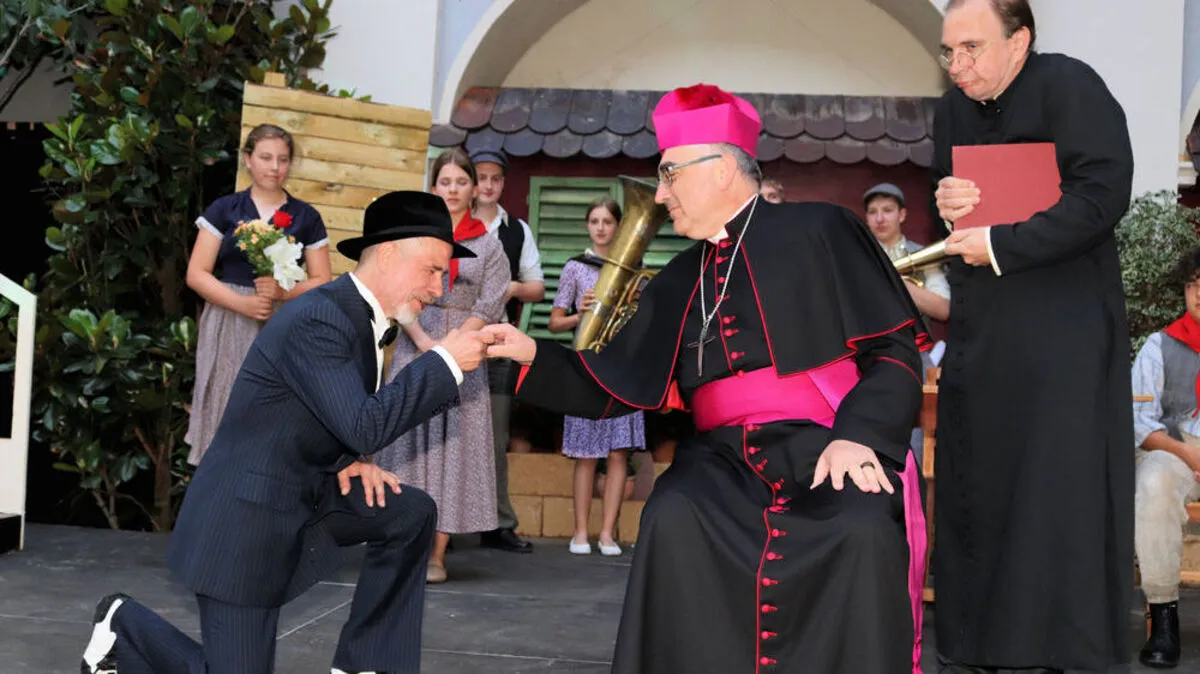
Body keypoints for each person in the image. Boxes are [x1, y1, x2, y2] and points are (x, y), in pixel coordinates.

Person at [485, 82, 930, 674]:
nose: (661, 192)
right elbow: (610, 384)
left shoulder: (824, 229)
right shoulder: (678, 276)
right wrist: (526, 352)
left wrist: (859, 434)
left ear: (721, 168)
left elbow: (893, 351)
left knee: (861, 527)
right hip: (718, 459)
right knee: (672, 512)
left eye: (670, 174)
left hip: (827, 442)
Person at [80, 191, 492, 674]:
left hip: (302, 495)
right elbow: (364, 422)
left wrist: (350, 459)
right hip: (243, 523)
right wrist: (444, 362)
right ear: (387, 254)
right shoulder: (321, 318)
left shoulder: (359, 317)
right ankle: (124, 625)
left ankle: (366, 664)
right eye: (431, 270)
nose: (438, 287)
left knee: (409, 512)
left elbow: (329, 411)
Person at [931, 0, 1135, 671]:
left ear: (1019, 42)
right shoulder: (951, 110)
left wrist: (999, 241)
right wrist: (949, 203)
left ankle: (1056, 651)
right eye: (948, 52)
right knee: (982, 485)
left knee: (1053, 491)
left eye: (972, 48)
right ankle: (983, 645)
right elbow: (954, 197)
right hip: (983, 333)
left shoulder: (1068, 85)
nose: (957, 66)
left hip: (1062, 333)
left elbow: (1102, 195)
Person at [376, 148, 510, 584]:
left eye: (461, 182)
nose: (452, 189)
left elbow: (492, 301)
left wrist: (456, 346)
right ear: (433, 187)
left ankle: (437, 554)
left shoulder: (489, 244)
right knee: (408, 448)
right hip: (419, 346)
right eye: (445, 182)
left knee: (455, 453)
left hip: (466, 354)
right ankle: (403, 546)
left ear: (474, 188)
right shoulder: (417, 237)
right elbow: (397, 293)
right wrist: (425, 342)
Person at [184, 123, 332, 466]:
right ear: (247, 160)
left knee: (273, 412)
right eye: (265, 157)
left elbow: (323, 280)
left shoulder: (306, 217)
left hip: (283, 323)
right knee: (225, 406)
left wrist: (286, 291)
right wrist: (243, 303)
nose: (274, 166)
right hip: (229, 318)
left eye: (282, 159)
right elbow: (196, 274)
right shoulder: (225, 210)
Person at [548, 197, 646, 556]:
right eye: (594, 221)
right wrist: (581, 314)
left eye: (607, 221)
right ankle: (579, 532)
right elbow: (555, 322)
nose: (601, 228)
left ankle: (606, 534)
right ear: (587, 226)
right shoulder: (575, 267)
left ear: (619, 227)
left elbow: (642, 323)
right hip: (586, 366)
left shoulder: (634, 267)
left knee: (618, 453)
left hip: (622, 367)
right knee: (586, 455)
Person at [470, 147, 545, 554]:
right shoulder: (454, 224)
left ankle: (498, 523)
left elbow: (536, 287)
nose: (487, 184)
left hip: (498, 343)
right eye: (480, 176)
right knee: (444, 431)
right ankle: (443, 521)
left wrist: (509, 287)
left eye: (495, 178)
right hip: (457, 340)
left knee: (496, 435)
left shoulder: (516, 230)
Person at [1130, 247, 1200, 669]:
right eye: (1194, 285)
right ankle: (1163, 619)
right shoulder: (1161, 345)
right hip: (1177, 449)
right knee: (1154, 481)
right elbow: (1138, 420)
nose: (1199, 294)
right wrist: (1185, 452)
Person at [863, 182, 950, 322]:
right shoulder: (858, 256)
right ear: (866, 218)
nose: (879, 219)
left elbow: (944, 309)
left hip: (913, 340)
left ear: (902, 215)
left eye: (887, 210)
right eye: (873, 212)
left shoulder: (924, 255)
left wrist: (891, 279)